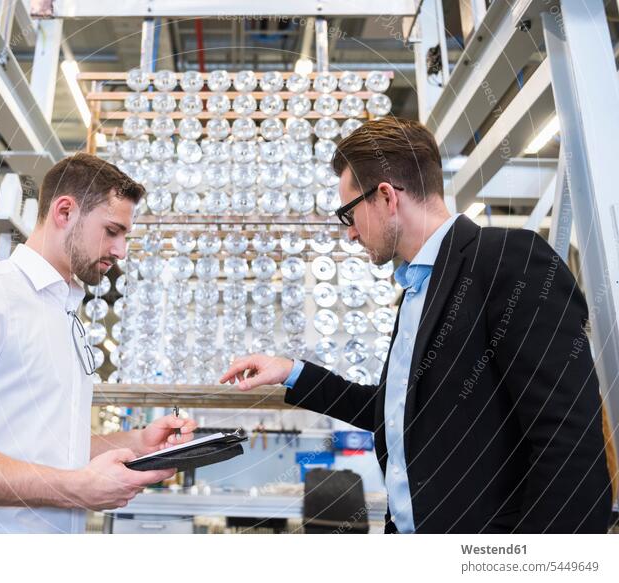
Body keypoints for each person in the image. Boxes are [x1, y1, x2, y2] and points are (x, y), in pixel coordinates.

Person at [220, 117, 612, 533]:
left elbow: (570, 443)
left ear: (387, 197)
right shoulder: (417, 288)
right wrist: (292, 372)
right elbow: (395, 414)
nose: (350, 233)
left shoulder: (506, 262)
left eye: (348, 214)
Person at [0, 153, 196, 533]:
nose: (121, 252)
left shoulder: (67, 314)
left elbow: (53, 448)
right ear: (64, 212)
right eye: (112, 231)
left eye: (125, 237)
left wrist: (138, 443)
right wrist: (75, 490)